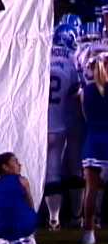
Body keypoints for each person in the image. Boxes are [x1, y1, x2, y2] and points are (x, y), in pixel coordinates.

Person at [46, 24, 81, 230]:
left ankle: (53, 219)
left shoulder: (41, 55)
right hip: (61, 124)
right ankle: (77, 216)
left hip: (41, 124)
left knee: (48, 172)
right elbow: (76, 94)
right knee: (69, 167)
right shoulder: (71, 60)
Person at [79, 52, 108, 244]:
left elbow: (84, 116)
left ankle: (88, 233)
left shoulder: (85, 92)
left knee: (91, 190)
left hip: (92, 141)